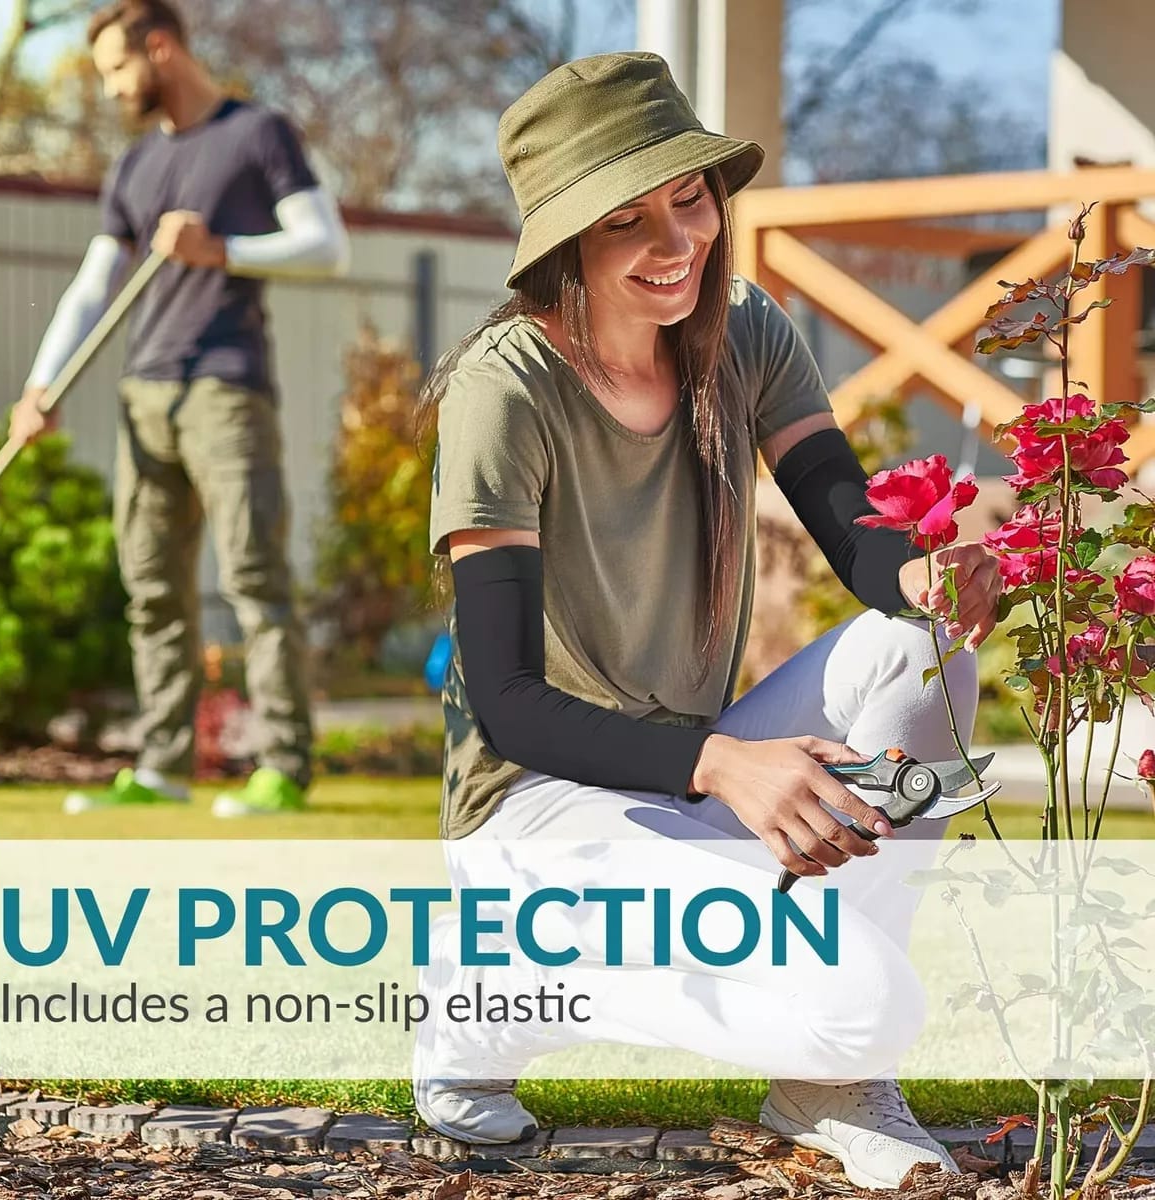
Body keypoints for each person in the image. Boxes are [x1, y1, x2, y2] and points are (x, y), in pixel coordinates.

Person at [413, 52, 1002, 1189]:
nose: (676, 239)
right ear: (565, 246)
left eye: (690, 198)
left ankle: (827, 1086)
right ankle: (482, 996)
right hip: (538, 810)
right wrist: (723, 763)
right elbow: (508, 705)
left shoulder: (744, 330)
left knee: (918, 649)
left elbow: (850, 523)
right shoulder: (509, 386)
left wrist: (924, 578)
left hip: (681, 782)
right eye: (626, 219)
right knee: (868, 1001)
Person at [10, 0, 348, 817]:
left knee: (252, 577)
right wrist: (40, 385)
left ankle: (283, 764)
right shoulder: (132, 168)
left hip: (227, 386)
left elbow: (327, 247)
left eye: (118, 68)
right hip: (145, 389)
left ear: (161, 48)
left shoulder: (257, 134)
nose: (112, 87)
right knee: (153, 587)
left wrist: (220, 250)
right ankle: (162, 767)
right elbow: (94, 285)